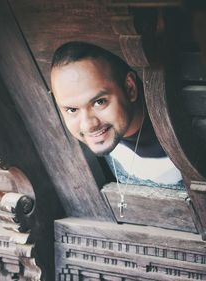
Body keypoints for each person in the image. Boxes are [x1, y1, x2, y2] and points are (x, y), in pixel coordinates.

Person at [50, 41, 183, 189]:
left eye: (99, 102)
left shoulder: (183, 129)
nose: (88, 124)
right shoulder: (100, 142)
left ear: (130, 88)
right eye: (72, 110)